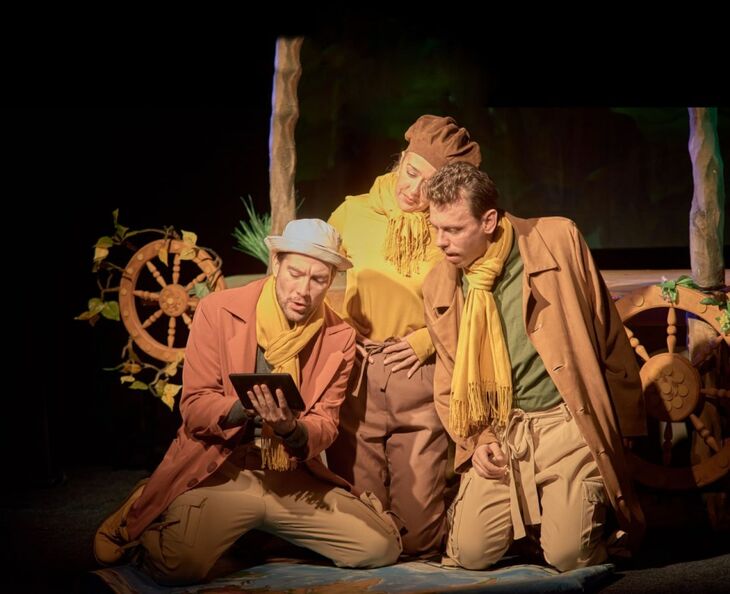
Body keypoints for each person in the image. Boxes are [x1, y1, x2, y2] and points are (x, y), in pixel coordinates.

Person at [94, 219, 402, 586]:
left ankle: (256, 536)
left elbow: (326, 422)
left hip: (288, 474)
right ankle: (152, 501)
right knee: (177, 567)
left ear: (331, 279)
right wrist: (245, 408)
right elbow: (195, 407)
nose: (303, 290)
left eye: (318, 279)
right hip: (223, 471)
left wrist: (291, 429)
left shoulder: (339, 336)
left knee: (378, 548)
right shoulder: (219, 310)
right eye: (295, 274)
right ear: (276, 264)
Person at [422, 161, 646, 571]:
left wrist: (626, 425)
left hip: (566, 424)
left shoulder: (557, 239)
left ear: (489, 221)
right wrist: (478, 440)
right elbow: (449, 379)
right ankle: (531, 526)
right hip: (502, 431)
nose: (440, 241)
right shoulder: (441, 283)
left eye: (453, 229)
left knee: (568, 556)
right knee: (471, 554)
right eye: (435, 227)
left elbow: (607, 331)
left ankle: (582, 525)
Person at [326, 115, 481, 557]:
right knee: (366, 523)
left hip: (419, 373)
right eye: (410, 172)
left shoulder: (448, 227)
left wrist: (425, 341)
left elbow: (474, 299)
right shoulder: (353, 213)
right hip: (358, 374)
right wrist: (340, 334)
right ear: (400, 159)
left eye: (430, 184)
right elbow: (319, 283)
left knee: (418, 539)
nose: (414, 190)